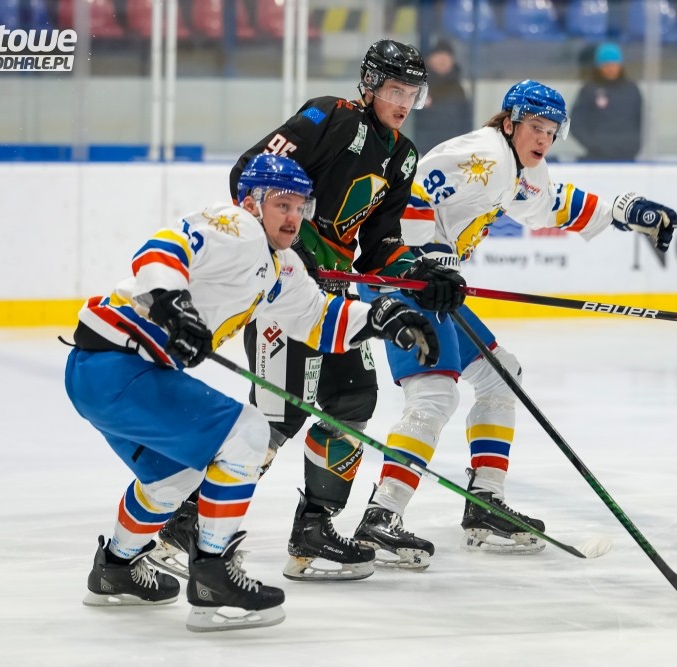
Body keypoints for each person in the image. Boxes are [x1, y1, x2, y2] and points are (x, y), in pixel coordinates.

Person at [65, 154, 440, 631]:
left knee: (173, 480)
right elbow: (161, 249)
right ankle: (213, 578)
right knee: (247, 434)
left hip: (98, 374)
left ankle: (116, 568)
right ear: (251, 202)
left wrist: (382, 317)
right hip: (120, 366)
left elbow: (318, 319)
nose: (293, 217)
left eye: (301, 206)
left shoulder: (282, 265)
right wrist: (171, 303)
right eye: (283, 204)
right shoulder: (237, 227)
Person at [151, 40, 466, 583]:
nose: (403, 103)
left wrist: (421, 274)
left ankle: (314, 530)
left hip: (331, 296)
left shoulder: (404, 156)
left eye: (412, 94)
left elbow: (380, 245)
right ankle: (186, 525)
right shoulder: (331, 117)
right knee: (279, 417)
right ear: (369, 86)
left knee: (353, 399)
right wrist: (294, 252)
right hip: (285, 291)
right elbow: (250, 173)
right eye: (395, 91)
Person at [351, 80, 677, 570]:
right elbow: (413, 192)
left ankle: (486, 503)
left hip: (430, 284)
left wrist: (621, 211)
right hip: (403, 279)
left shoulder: (517, 165)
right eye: (536, 126)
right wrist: (429, 258)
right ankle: (382, 515)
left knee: (501, 374)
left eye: (552, 130)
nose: (544, 137)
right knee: (434, 394)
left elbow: (549, 204)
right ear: (509, 123)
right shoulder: (483, 155)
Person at [569, 42, 643, 162]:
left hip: (627, 155)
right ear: (599, 66)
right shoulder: (589, 90)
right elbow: (576, 123)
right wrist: (593, 144)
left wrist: (634, 144)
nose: (610, 68)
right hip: (596, 156)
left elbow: (642, 120)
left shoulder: (632, 89)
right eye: (606, 64)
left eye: (614, 63)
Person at [413, 39, 473, 155]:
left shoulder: (459, 89)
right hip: (423, 152)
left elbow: (466, 122)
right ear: (429, 59)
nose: (443, 59)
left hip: (453, 151)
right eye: (439, 55)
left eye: (447, 56)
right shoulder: (417, 86)